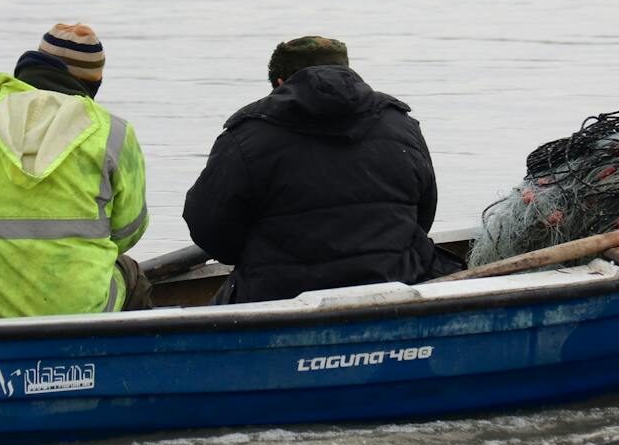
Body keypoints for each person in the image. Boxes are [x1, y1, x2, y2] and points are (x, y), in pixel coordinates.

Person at [183, 36, 460, 305]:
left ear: (280, 83)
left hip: (278, 293)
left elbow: (210, 231)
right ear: (348, 71)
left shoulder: (245, 136)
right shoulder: (402, 125)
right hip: (399, 282)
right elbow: (423, 215)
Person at [0, 22, 152, 319]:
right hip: (75, 310)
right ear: (93, 83)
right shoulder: (113, 131)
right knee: (131, 274)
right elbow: (128, 230)